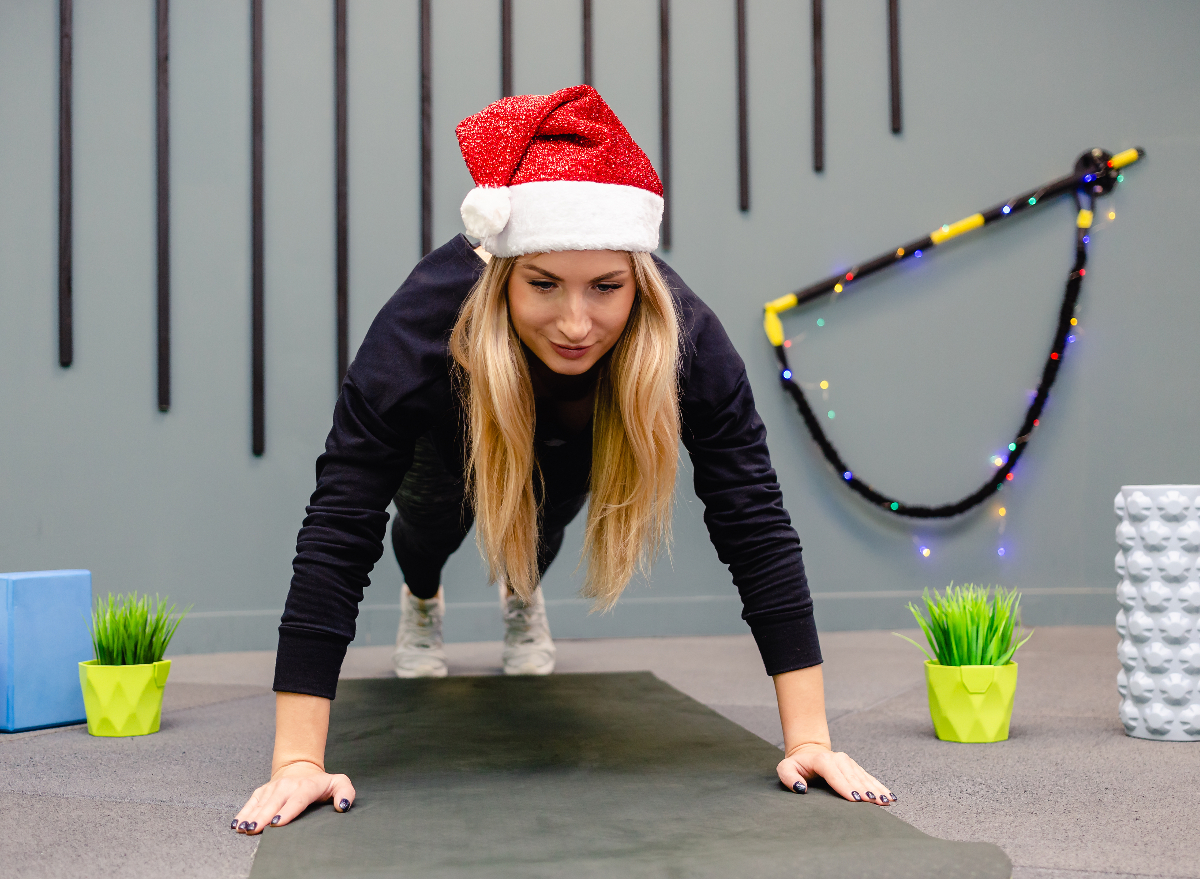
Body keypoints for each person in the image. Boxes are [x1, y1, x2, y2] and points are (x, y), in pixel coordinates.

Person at [233, 85, 893, 836]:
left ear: (637, 280)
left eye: (606, 288)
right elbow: (339, 524)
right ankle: (423, 598)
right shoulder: (416, 332)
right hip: (451, 440)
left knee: (539, 528)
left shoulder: (688, 339)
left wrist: (810, 739)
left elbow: (754, 519)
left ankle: (523, 590)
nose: (577, 323)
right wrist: (296, 759)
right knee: (424, 529)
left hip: (575, 440)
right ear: (502, 272)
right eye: (543, 285)